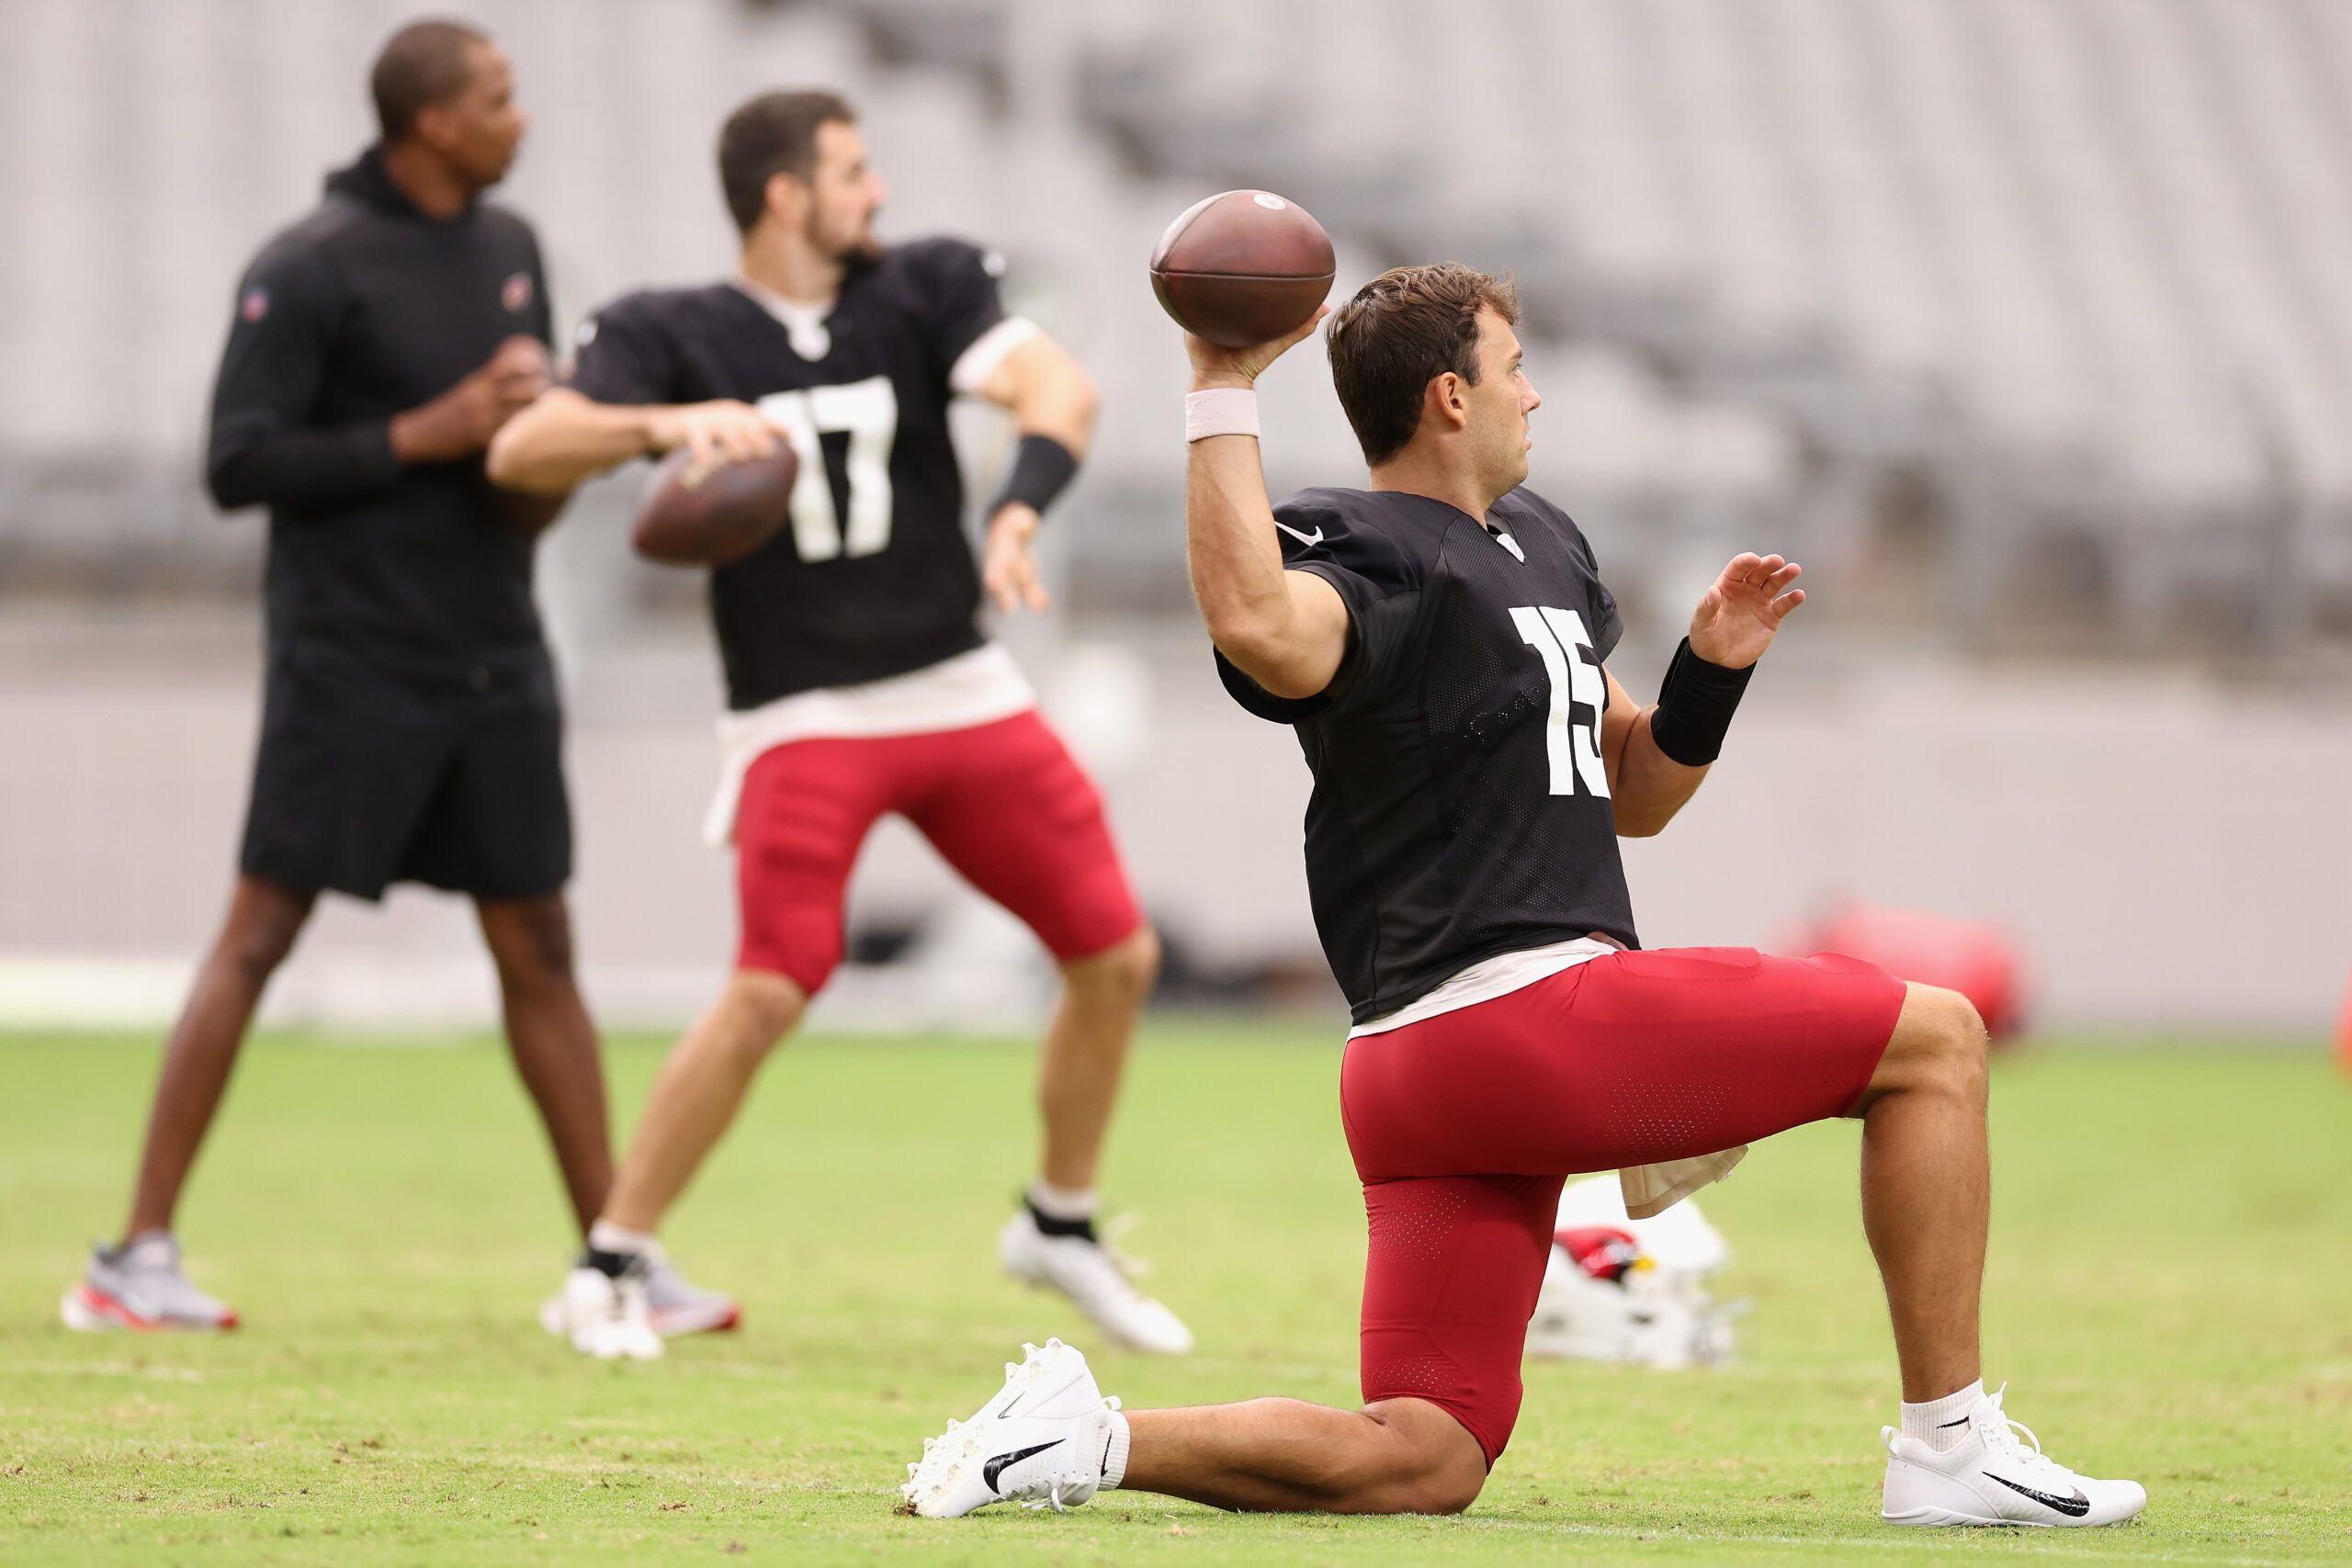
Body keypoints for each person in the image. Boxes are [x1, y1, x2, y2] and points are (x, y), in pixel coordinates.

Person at [900, 264, 2147, 1529]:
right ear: (1451, 396)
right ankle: (1949, 1447)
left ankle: (1082, 1436)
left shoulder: (1543, 542)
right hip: (1514, 1017)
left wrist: (1710, 671)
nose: (1534, 394)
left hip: (1424, 1075)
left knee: (1425, 1456)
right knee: (1936, 1040)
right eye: (1513, 367)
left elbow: (1637, 792)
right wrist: (1220, 387)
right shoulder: (1368, 543)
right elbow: (1261, 626)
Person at [488, 89, 1184, 1360]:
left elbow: (1058, 390)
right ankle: (608, 1262)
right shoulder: (671, 330)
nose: (877, 194)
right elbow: (525, 449)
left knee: (1115, 953)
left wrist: (1021, 506)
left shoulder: (919, 286)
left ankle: (1060, 1221)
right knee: (774, 981)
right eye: (852, 172)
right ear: (783, 193)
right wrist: (658, 425)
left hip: (957, 686)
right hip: (803, 710)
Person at [60, 18, 726, 1337]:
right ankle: (133, 1259)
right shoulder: (308, 267)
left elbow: (507, 471)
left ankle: (614, 1263)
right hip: (350, 656)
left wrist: (546, 450)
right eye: (497, 95)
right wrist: (431, 430)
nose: (519, 114)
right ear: (433, 122)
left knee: (539, 945)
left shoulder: (509, 247)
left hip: (494, 653)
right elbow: (237, 464)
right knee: (260, 934)